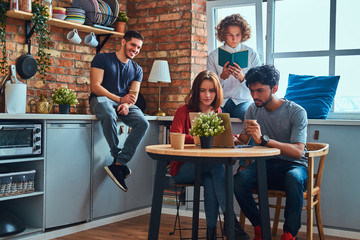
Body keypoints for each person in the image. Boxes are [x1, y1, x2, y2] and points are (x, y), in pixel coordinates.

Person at [170, 70, 249, 240]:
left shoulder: (217, 111)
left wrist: (228, 139)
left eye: (212, 90)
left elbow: (215, 143)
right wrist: (203, 137)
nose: (207, 95)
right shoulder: (183, 111)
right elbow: (175, 137)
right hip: (182, 169)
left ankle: (211, 233)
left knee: (211, 181)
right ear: (196, 90)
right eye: (203, 90)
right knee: (215, 166)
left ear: (217, 92)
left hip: (205, 169)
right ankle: (231, 223)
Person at [233, 65, 308, 240]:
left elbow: (298, 152)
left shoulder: (297, 112)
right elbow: (244, 139)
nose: (254, 96)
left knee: (293, 178)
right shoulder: (253, 109)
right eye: (251, 91)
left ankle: (289, 234)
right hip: (265, 165)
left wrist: (264, 140)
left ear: (274, 88)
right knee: (237, 181)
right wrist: (230, 138)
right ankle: (260, 226)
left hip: (293, 166)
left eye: (260, 90)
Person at [89, 31, 149, 192]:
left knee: (143, 122)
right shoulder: (102, 58)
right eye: (133, 45)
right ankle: (117, 156)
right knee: (108, 114)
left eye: (138, 47)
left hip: (122, 102)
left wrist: (127, 105)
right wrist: (119, 100)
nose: (135, 50)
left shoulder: (137, 69)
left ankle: (119, 163)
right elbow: (95, 86)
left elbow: (134, 95)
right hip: (102, 99)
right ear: (123, 42)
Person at [207, 13, 261, 121]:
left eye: (238, 35)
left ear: (243, 34)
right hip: (221, 102)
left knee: (252, 119)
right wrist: (222, 77)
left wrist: (242, 78)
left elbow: (259, 85)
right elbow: (209, 87)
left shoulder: (252, 54)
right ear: (223, 35)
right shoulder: (213, 56)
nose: (234, 39)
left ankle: (245, 139)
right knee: (211, 120)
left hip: (243, 102)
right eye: (230, 35)